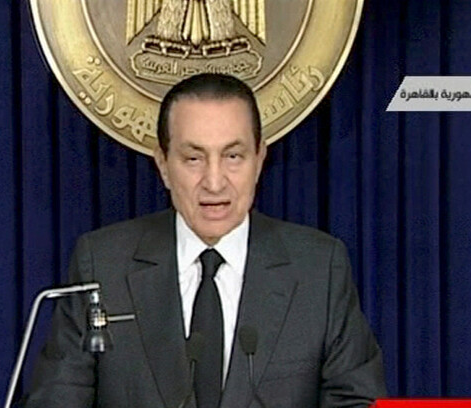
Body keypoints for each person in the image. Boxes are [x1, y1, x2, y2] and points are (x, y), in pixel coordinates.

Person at [23, 74, 386, 407]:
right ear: (163, 164)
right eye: (193, 158)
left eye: (233, 156)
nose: (214, 182)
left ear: (259, 159)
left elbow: (357, 401)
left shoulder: (319, 269)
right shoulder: (103, 265)